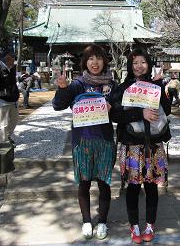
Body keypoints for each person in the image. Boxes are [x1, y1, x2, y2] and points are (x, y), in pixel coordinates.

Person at [52, 45, 116, 240]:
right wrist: (63, 89)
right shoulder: (78, 84)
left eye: (98, 58)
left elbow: (120, 109)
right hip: (82, 141)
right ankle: (87, 220)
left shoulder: (111, 85)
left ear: (104, 61)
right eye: (90, 58)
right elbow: (58, 105)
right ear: (85, 62)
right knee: (84, 183)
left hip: (104, 141)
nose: (94, 62)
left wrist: (112, 106)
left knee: (104, 183)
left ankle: (103, 222)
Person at [110, 49, 171, 244]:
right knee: (134, 187)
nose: (139, 66)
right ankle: (134, 226)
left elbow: (167, 110)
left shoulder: (155, 86)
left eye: (143, 62)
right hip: (132, 145)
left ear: (148, 64)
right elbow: (114, 115)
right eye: (135, 62)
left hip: (153, 144)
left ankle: (150, 225)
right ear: (130, 65)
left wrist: (160, 86)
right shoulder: (122, 88)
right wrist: (140, 113)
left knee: (152, 187)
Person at [0, 49, 19, 146]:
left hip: (13, 99)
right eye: (12, 58)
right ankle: (3, 142)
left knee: (14, 121)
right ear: (7, 58)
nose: (13, 60)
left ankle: (9, 137)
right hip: (3, 100)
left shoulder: (12, 68)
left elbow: (13, 83)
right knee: (3, 124)